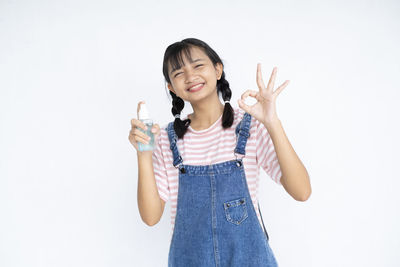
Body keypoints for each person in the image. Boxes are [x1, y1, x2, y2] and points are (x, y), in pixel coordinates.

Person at [129, 38, 311, 267]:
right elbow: (150, 217)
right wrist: (144, 154)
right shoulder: (167, 140)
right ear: (171, 88)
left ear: (217, 69)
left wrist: (273, 123)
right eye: (178, 73)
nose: (190, 76)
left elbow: (302, 191)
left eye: (197, 66)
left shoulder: (249, 126)